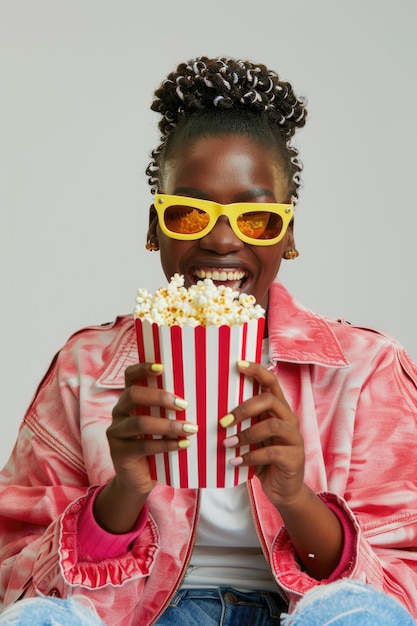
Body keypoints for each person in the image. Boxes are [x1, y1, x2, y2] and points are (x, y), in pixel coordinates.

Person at [0, 55, 416, 626]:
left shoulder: (366, 369)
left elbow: (402, 592)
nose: (223, 240)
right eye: (190, 214)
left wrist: (296, 499)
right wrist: (121, 492)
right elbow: (15, 578)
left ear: (288, 235)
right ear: (155, 227)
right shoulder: (86, 368)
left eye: (258, 220)